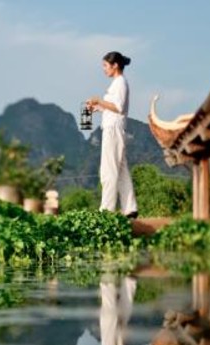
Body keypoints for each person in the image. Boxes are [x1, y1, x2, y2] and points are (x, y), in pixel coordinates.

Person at [86, 51, 138, 219]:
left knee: (108, 171)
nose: (104, 69)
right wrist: (98, 108)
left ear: (115, 65)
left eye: (105, 66)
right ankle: (130, 208)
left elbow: (119, 107)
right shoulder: (117, 83)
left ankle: (106, 211)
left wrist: (98, 100)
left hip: (113, 130)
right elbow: (114, 109)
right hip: (113, 128)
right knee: (121, 169)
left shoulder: (120, 82)